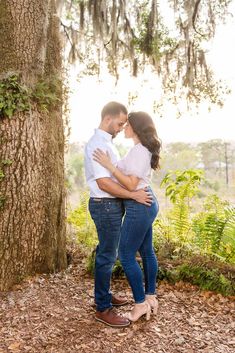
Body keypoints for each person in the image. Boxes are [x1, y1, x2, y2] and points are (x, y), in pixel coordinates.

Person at [84, 102, 152, 328]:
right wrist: (133, 196)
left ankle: (104, 294)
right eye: (120, 123)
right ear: (107, 119)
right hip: (105, 205)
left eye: (126, 124)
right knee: (107, 255)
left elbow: (119, 174)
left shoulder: (108, 144)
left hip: (112, 205)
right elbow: (104, 184)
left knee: (110, 252)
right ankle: (103, 307)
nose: (123, 127)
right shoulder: (97, 145)